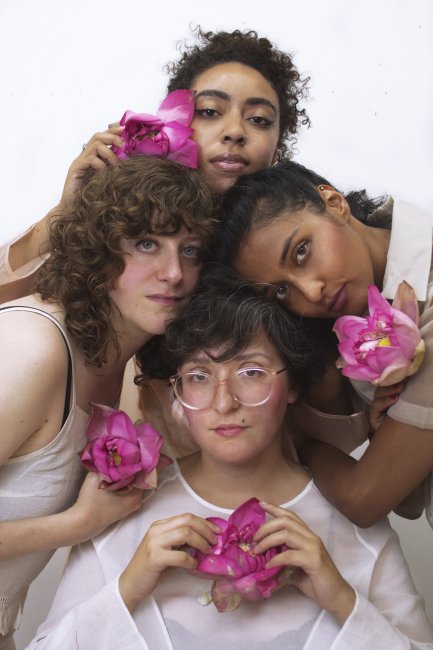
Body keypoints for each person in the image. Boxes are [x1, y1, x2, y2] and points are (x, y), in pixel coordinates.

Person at [27, 269, 433, 649]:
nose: (224, 403)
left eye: (251, 372)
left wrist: (344, 600)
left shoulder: (356, 529)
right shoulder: (123, 516)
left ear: (292, 384)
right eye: (200, 377)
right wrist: (128, 586)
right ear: (177, 394)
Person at [0, 27, 311, 455]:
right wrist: (66, 212)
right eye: (210, 111)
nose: (235, 131)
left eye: (259, 119)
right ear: (178, 123)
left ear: (278, 147)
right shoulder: (120, 216)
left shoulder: (293, 239)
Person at [0, 155, 215, 649]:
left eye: (193, 251)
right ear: (98, 250)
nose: (174, 273)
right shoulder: (34, 349)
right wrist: (78, 523)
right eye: (146, 244)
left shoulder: (127, 374)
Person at [211, 158, 433, 530]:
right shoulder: (366, 322)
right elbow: (409, 500)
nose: (310, 292)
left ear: (333, 201)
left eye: (301, 252)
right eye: (281, 291)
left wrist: (304, 444)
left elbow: (363, 500)